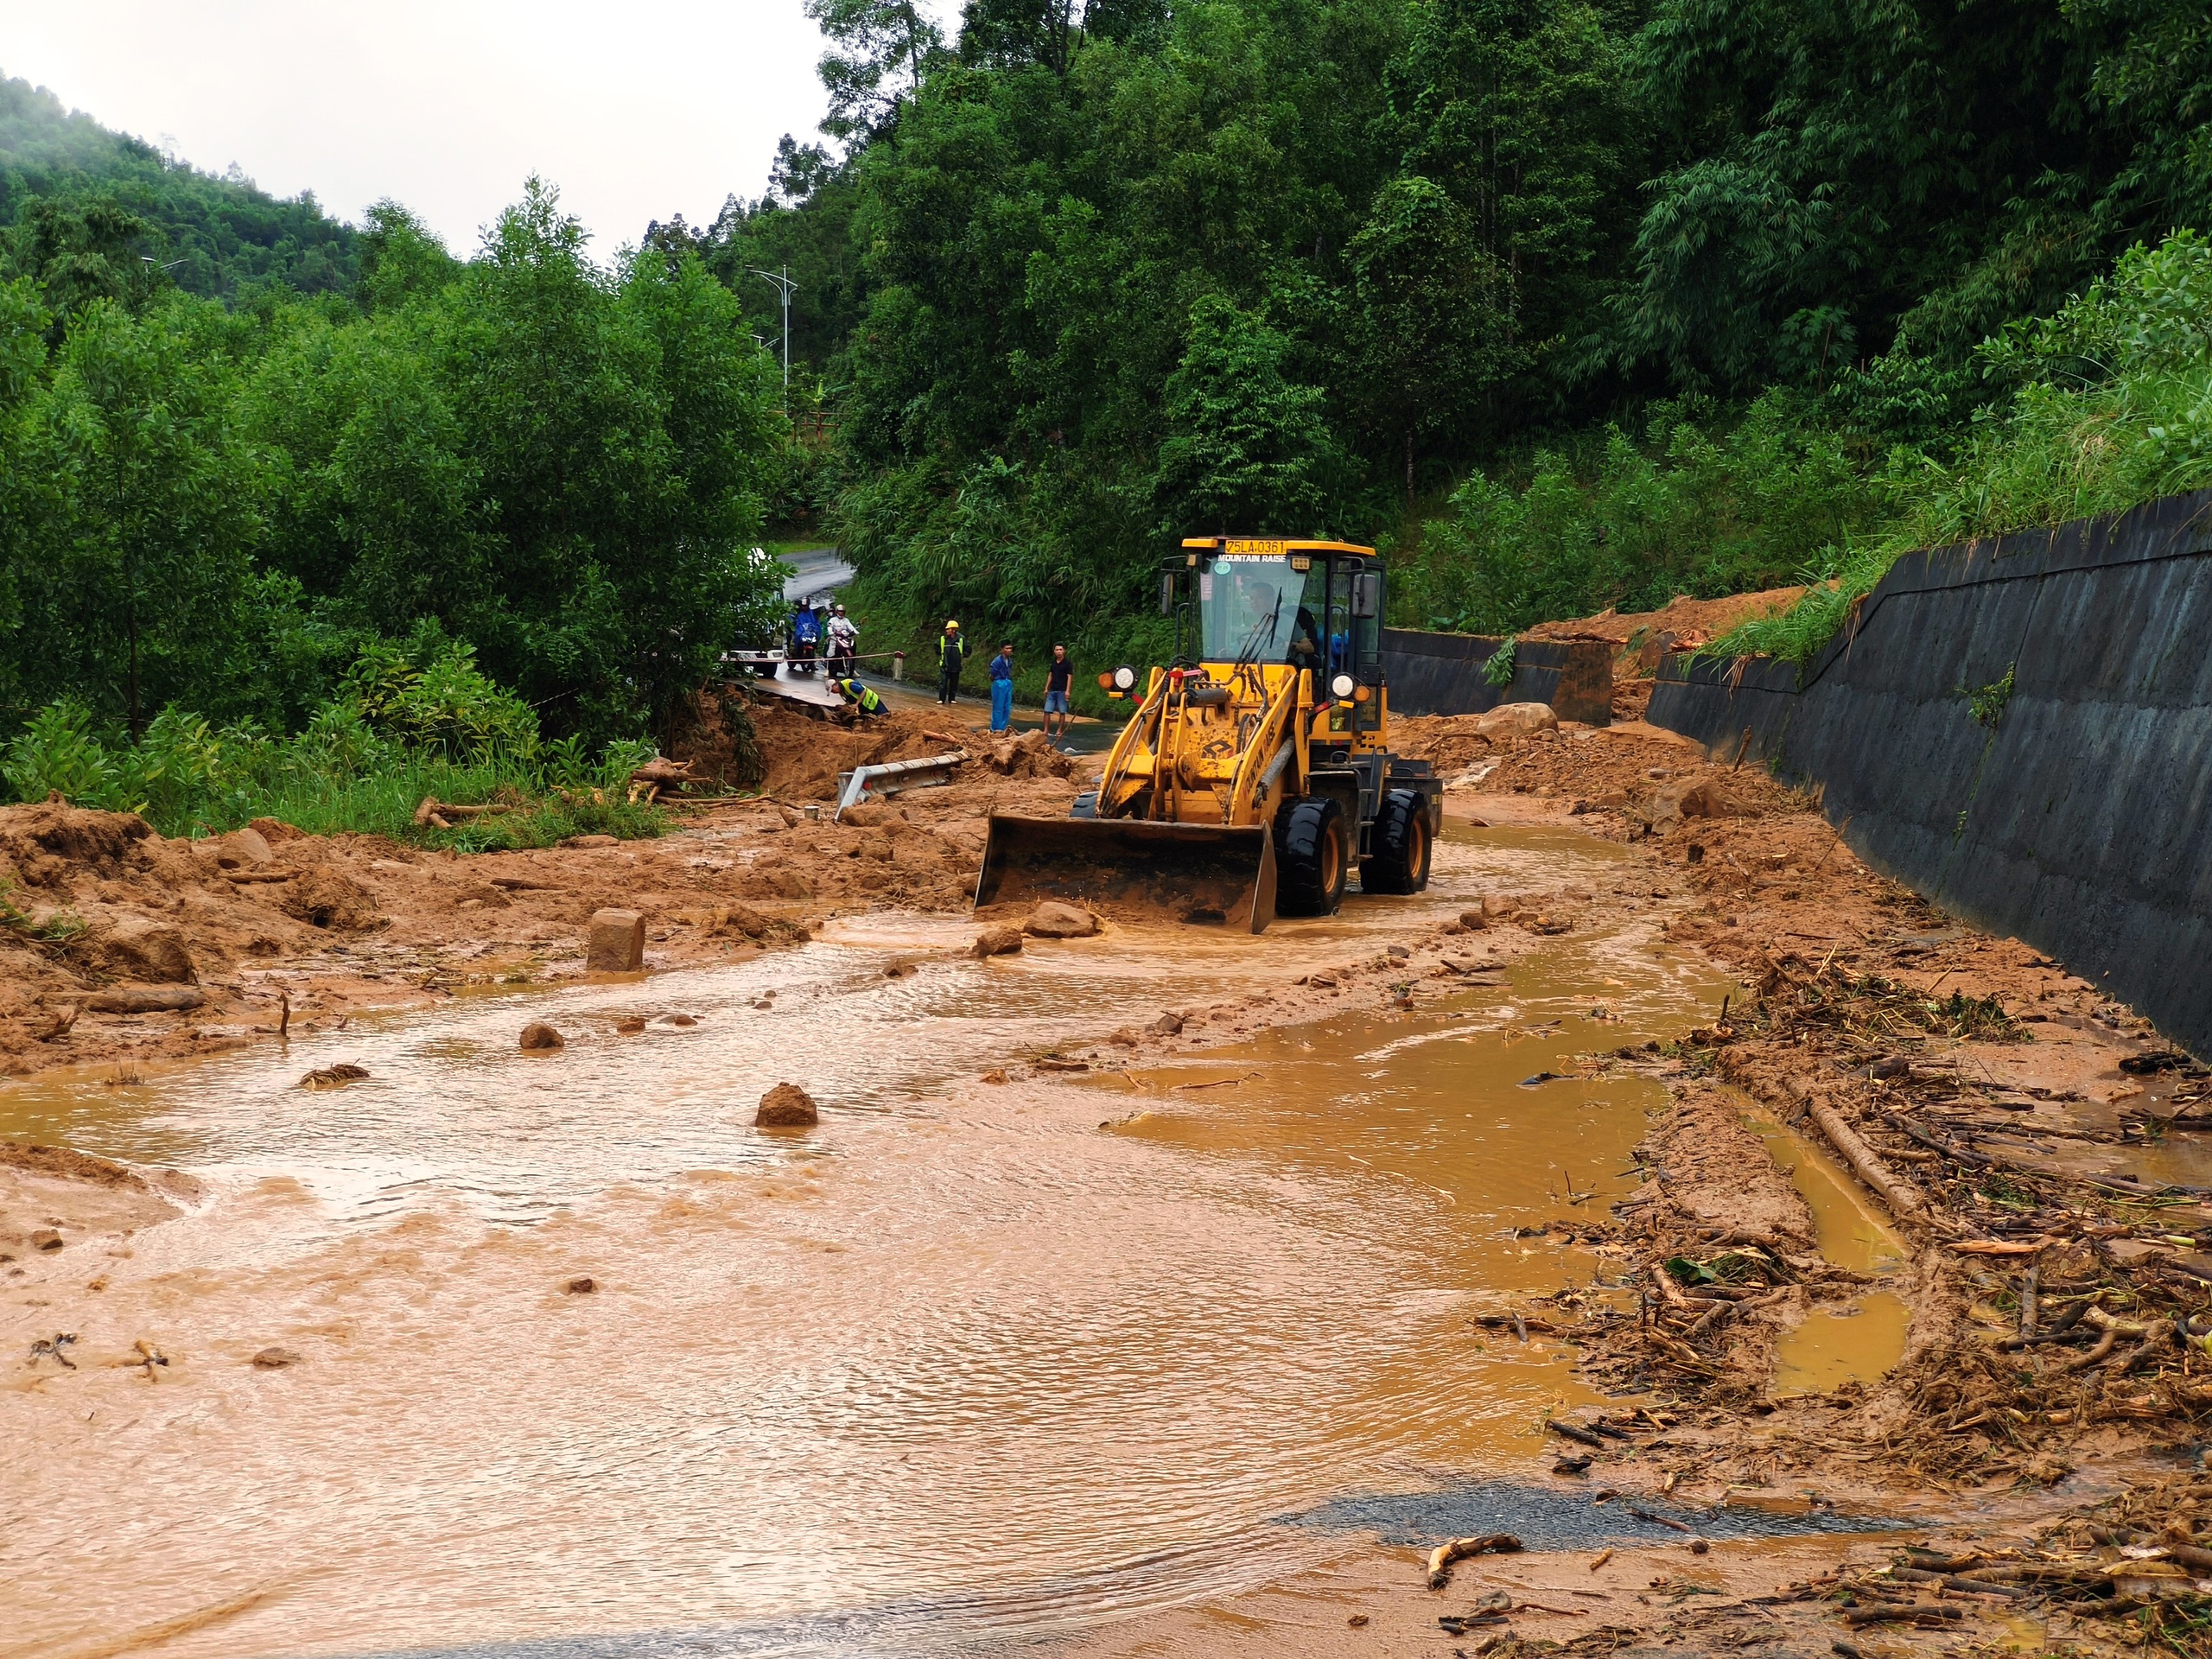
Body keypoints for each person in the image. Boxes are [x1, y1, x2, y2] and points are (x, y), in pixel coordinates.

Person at [1043, 644, 1073, 742]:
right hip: (1052, 690)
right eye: (1057, 650)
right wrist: (1046, 688)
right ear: (1054, 652)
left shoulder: (1067, 664)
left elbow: (1069, 677)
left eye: (1060, 649)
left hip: (1062, 690)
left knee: (1062, 711)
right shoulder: (1053, 663)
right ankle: (1046, 730)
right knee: (1047, 711)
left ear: (1064, 651)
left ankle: (1059, 730)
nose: (1059, 651)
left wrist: (1068, 691)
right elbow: (1050, 675)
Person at [988, 641, 1016, 733]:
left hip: (1007, 681)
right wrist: (996, 681)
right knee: (998, 707)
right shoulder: (998, 661)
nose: (1009, 650)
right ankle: (995, 729)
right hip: (999, 682)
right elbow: (992, 673)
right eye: (1007, 648)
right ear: (1002, 650)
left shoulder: (1009, 660)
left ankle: (1003, 727)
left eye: (1010, 648)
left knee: (1006, 707)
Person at [937, 619, 964, 704]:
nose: (947, 630)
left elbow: (967, 648)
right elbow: (937, 647)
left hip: (956, 665)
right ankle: (942, 699)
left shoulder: (961, 639)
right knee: (943, 683)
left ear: (954, 630)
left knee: (954, 683)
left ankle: (952, 699)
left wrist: (963, 655)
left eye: (949, 629)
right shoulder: (943, 639)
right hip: (945, 664)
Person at [826, 602, 858, 677]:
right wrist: (831, 632)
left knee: (853, 646)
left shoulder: (846, 620)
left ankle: (853, 670)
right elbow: (829, 627)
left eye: (843, 611)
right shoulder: (833, 620)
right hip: (835, 638)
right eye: (840, 611)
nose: (841, 613)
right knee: (831, 652)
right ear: (837, 612)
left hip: (844, 638)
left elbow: (851, 627)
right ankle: (828, 669)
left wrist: (855, 632)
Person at [791, 601, 822, 676]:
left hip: (810, 632)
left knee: (814, 644)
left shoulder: (812, 613)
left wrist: (817, 628)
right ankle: (795, 653)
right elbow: (793, 620)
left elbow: (816, 622)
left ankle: (812, 663)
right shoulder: (797, 613)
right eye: (803, 606)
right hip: (801, 632)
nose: (804, 607)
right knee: (794, 640)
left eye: (806, 606)